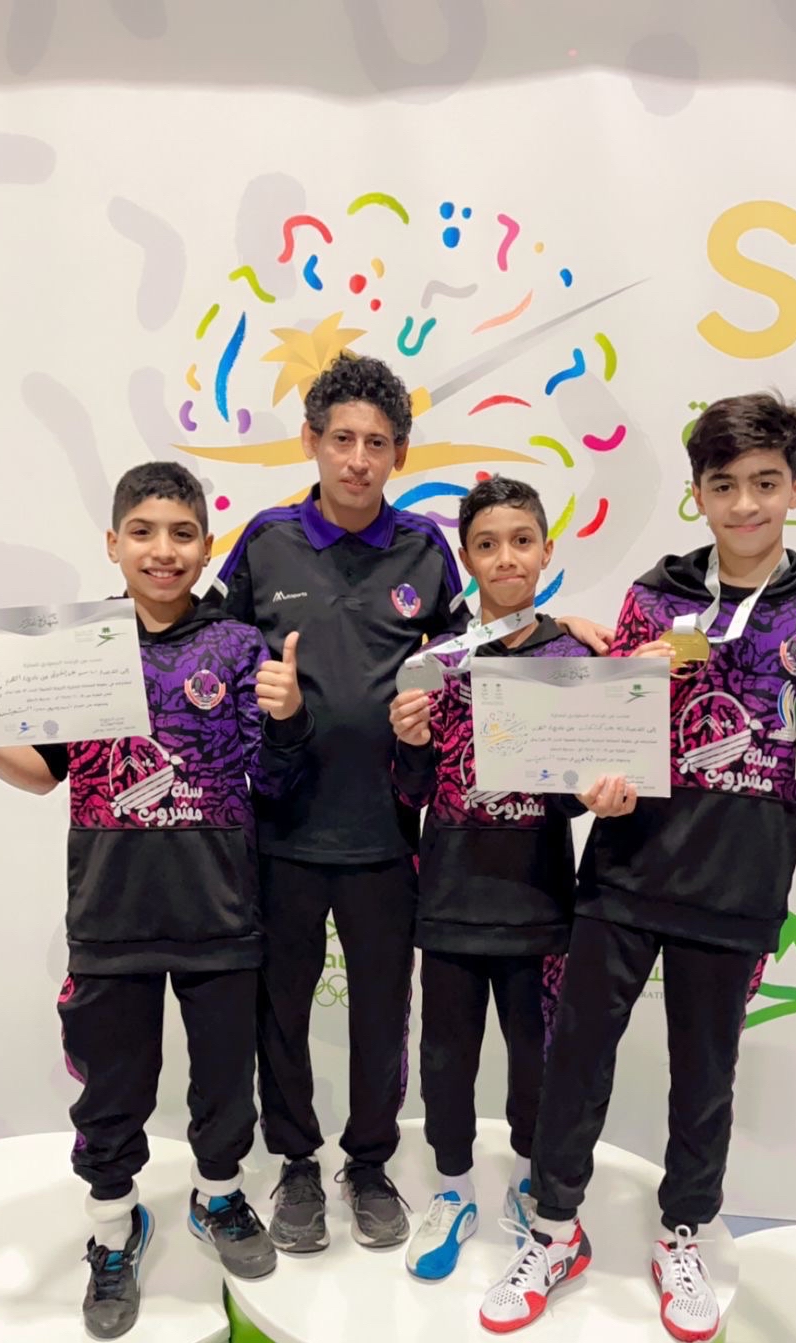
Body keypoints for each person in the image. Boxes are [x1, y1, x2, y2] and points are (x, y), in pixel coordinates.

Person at [480, 392, 796, 1342]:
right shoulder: (654, 598)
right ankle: (554, 1230)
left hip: (738, 886)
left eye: (766, 483)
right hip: (626, 873)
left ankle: (683, 1233)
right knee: (576, 1061)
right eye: (724, 485)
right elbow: (601, 744)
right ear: (698, 493)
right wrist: (595, 781)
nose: (746, 505)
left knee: (705, 1078)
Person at [213, 353, 612, 1255]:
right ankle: (298, 1165)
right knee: (280, 1011)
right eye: (342, 439)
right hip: (280, 828)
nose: (358, 459)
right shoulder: (266, 541)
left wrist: (575, 628)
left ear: (398, 453)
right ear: (312, 442)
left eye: (377, 443)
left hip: (391, 834)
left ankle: (368, 1163)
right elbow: (212, 641)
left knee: (382, 1015)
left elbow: (483, 648)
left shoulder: (425, 550)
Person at [0, 462, 313, 1339]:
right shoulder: (76, 648)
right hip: (111, 916)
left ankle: (218, 1195)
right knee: (112, 1088)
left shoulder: (238, 646)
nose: (164, 550)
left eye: (182, 533)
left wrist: (287, 718)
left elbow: (276, 782)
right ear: (113, 543)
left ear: (206, 545)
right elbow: (43, 775)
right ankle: (112, 1227)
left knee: (224, 1081)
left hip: (220, 912)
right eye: (144, 532)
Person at [389, 477, 636, 1281]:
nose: (506, 558)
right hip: (450, 896)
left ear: (547, 550)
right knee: (446, 1059)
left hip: (540, 899)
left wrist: (590, 788)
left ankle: (533, 1185)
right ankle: (453, 1190)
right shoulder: (435, 661)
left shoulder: (575, 658)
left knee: (538, 1058)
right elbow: (412, 791)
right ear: (466, 558)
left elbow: (573, 793)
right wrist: (412, 744)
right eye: (488, 545)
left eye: (522, 541)